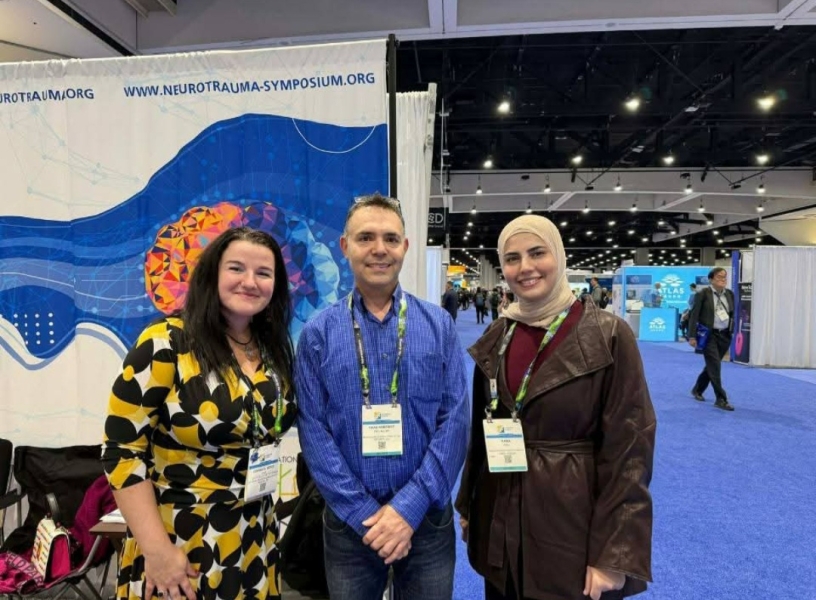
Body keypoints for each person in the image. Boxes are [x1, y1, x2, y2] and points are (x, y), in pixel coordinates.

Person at [455, 215, 655, 600]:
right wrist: (470, 504)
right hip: (501, 518)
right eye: (512, 258)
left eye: (537, 253)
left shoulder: (609, 335)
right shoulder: (498, 334)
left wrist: (614, 553)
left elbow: (630, 450)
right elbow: (482, 430)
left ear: (559, 257)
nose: (525, 267)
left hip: (572, 529)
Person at [101, 227, 297, 600]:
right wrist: (157, 551)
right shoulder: (166, 342)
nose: (250, 282)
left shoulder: (271, 349)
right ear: (212, 274)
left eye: (264, 273)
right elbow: (121, 451)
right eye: (236, 268)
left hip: (255, 535)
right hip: (181, 537)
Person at [295, 193, 469, 600]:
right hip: (350, 522)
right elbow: (313, 430)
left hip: (426, 518)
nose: (379, 249)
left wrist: (407, 508)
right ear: (345, 246)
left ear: (405, 246)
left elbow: (455, 421)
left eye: (390, 239)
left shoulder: (439, 325)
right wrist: (364, 514)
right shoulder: (318, 333)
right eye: (365, 238)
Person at [688, 268, 736, 411]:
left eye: (724, 277)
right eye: (719, 277)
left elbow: (732, 314)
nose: (723, 279)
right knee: (715, 365)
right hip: (709, 336)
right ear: (711, 279)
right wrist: (692, 336)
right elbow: (694, 315)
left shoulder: (730, 294)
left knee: (712, 365)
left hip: (725, 335)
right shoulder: (703, 294)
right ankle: (721, 399)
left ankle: (697, 389)